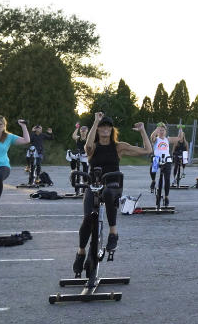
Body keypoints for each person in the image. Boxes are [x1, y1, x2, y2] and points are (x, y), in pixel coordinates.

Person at [73, 113, 152, 275]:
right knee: (87, 219)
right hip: (94, 185)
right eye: (102, 126)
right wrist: (95, 121)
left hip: (113, 184)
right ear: (98, 129)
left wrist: (143, 130)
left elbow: (147, 150)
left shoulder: (118, 146)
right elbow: (87, 146)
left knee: (108, 193)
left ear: (112, 129)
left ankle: (113, 232)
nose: (105, 128)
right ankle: (81, 252)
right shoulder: (93, 147)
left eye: (108, 126)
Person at [149, 123, 182, 208]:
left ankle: (166, 197)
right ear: (158, 131)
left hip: (167, 160)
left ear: (165, 131)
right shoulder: (156, 139)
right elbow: (151, 137)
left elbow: (179, 138)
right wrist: (156, 129)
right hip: (157, 159)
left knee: (167, 179)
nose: (161, 132)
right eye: (160, 130)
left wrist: (180, 129)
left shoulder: (167, 139)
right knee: (153, 168)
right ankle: (153, 181)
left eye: (163, 130)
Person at [69, 124, 90, 191]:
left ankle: (85, 183)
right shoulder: (78, 138)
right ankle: (73, 172)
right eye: (82, 130)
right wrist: (77, 128)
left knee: (85, 169)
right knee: (72, 157)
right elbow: (73, 136)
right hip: (79, 154)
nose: (83, 131)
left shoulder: (89, 138)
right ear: (80, 131)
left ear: (87, 131)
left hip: (85, 155)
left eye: (84, 130)